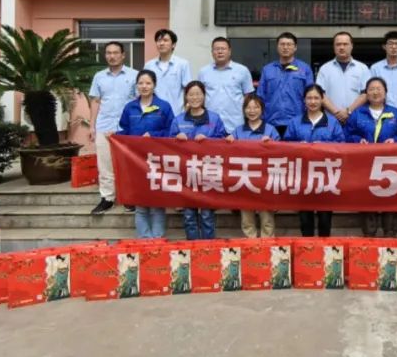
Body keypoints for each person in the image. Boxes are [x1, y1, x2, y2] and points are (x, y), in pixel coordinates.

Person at [345, 77, 397, 238]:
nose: (375, 92)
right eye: (371, 89)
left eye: (379, 88)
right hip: (364, 164)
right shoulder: (358, 113)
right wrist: (357, 140)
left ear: (385, 92)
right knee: (367, 197)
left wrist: (395, 140)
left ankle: (390, 232)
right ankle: (369, 234)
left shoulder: (395, 113)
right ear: (366, 94)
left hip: (391, 165)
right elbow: (347, 134)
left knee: (391, 197)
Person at [117, 69, 175, 238]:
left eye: (148, 83)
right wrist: (115, 136)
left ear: (154, 85)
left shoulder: (164, 106)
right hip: (136, 160)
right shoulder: (130, 107)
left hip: (157, 160)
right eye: (141, 83)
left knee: (157, 203)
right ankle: (144, 241)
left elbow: (171, 131)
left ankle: (158, 239)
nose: (144, 86)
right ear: (136, 85)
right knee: (141, 204)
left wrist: (154, 135)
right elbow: (124, 130)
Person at [284, 84, 346, 237]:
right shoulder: (295, 122)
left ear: (322, 100)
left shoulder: (332, 122)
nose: (312, 102)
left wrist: (325, 146)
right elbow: (285, 145)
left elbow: (342, 145)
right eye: (309, 98)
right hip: (302, 176)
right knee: (305, 219)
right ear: (304, 100)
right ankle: (307, 248)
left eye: (316, 98)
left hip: (325, 175)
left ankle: (324, 248)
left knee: (325, 218)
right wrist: (298, 146)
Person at [169, 81, 228, 240]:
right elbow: (167, 146)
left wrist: (209, 140)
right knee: (189, 215)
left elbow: (223, 141)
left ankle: (208, 248)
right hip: (186, 174)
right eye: (191, 94)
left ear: (204, 96)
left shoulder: (214, 118)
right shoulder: (178, 120)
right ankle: (192, 247)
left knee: (207, 215)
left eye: (198, 94)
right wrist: (176, 138)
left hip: (208, 172)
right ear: (186, 97)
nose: (195, 97)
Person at [87, 41, 138, 215]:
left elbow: (139, 101)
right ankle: (107, 198)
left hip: (127, 128)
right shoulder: (99, 76)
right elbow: (95, 101)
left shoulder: (134, 75)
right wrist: (92, 126)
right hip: (104, 125)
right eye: (108, 53)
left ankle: (129, 197)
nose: (112, 56)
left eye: (116, 53)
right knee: (105, 164)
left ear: (123, 55)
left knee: (128, 164)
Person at [227, 93, 280, 238]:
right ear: (244, 110)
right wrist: (228, 141)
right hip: (245, 179)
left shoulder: (270, 130)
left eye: (256, 107)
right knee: (247, 218)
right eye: (248, 108)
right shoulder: (238, 131)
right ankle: (250, 245)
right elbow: (229, 153)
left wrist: (272, 144)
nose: (252, 111)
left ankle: (267, 244)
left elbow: (281, 154)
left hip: (265, 179)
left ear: (262, 110)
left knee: (267, 218)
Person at [256, 32, 315, 137]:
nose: (285, 47)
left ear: (295, 47)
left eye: (289, 44)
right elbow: (260, 97)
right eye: (282, 44)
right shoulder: (267, 70)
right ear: (277, 47)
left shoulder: (305, 69)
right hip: (271, 123)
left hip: (297, 123)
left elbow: (311, 97)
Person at [197, 36, 253, 135]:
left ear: (229, 51)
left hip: (235, 124)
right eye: (216, 49)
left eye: (223, 49)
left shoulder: (242, 70)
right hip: (210, 124)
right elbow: (200, 97)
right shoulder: (204, 72)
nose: (220, 51)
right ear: (212, 52)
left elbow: (248, 96)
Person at [315, 31, 370, 122]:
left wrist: (348, 111)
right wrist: (336, 113)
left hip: (356, 120)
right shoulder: (325, 69)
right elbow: (320, 94)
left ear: (351, 46)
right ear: (334, 47)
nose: (341, 47)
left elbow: (366, 94)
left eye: (345, 44)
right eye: (338, 44)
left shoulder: (363, 68)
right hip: (331, 120)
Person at [144, 28, 192, 116]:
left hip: (176, 113)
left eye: (165, 40)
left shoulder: (182, 64)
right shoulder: (149, 66)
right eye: (159, 40)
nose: (161, 43)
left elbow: (188, 89)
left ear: (173, 45)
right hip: (154, 114)